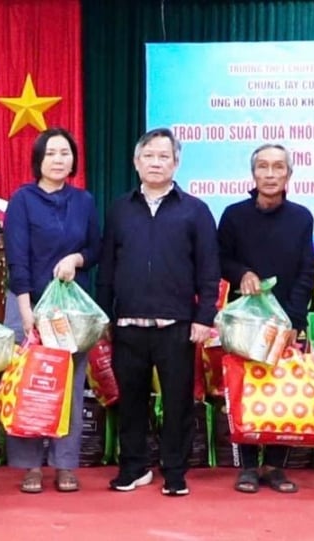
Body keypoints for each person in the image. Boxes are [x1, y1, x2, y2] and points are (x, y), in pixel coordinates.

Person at [96, 127, 220, 497]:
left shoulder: (195, 211)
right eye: (148, 155)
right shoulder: (120, 209)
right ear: (136, 162)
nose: (155, 162)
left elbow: (208, 270)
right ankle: (133, 468)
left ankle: (175, 471)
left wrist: (204, 317)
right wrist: (105, 316)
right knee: (130, 401)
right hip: (128, 325)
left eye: (164, 156)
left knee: (178, 401)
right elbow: (106, 268)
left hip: (176, 326)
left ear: (176, 162)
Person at [3, 127, 100, 493]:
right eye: (52, 153)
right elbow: (17, 257)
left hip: (70, 312)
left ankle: (64, 464)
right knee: (31, 386)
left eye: (65, 153)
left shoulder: (84, 201)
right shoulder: (23, 199)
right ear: (38, 160)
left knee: (71, 388)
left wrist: (77, 257)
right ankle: (29, 465)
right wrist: (26, 311)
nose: (59, 159)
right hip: (28, 301)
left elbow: (96, 249)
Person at [218, 143, 314, 494]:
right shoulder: (233, 215)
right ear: (253, 173)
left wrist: (293, 321)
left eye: (278, 167)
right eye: (263, 167)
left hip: (286, 321)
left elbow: (307, 271)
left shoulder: (302, 217)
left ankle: (275, 466)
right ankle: (246, 466)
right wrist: (241, 272)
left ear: (289, 174)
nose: (270, 174)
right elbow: (220, 259)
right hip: (244, 322)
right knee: (245, 391)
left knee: (283, 392)